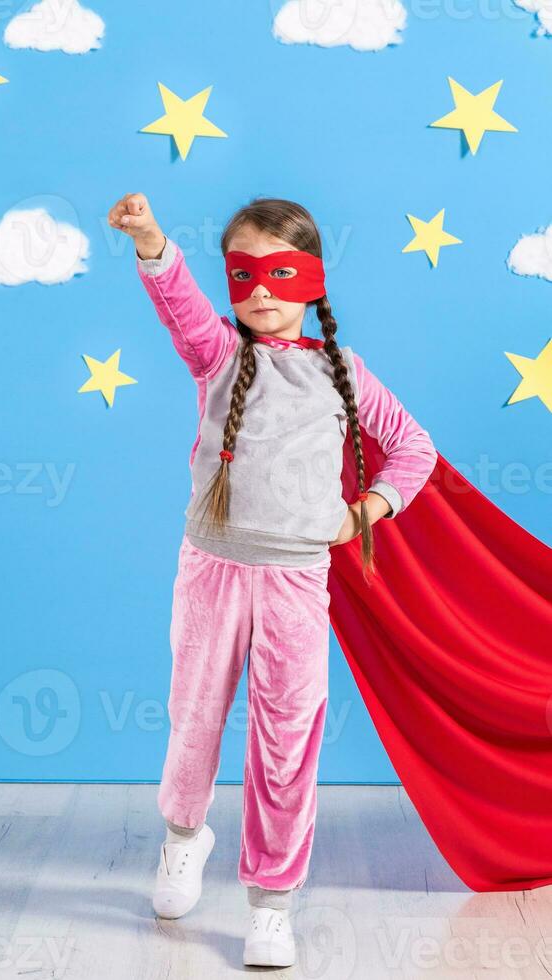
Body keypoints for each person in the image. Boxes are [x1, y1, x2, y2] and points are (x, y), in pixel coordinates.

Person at [105, 191, 436, 967]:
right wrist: (151, 237)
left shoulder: (342, 374)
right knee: (194, 717)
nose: (260, 289)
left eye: (280, 271)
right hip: (212, 570)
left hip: (294, 583)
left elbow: (412, 449)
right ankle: (184, 837)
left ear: (312, 279)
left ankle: (271, 902)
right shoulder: (218, 356)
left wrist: (363, 514)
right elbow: (181, 307)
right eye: (244, 272)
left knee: (286, 742)